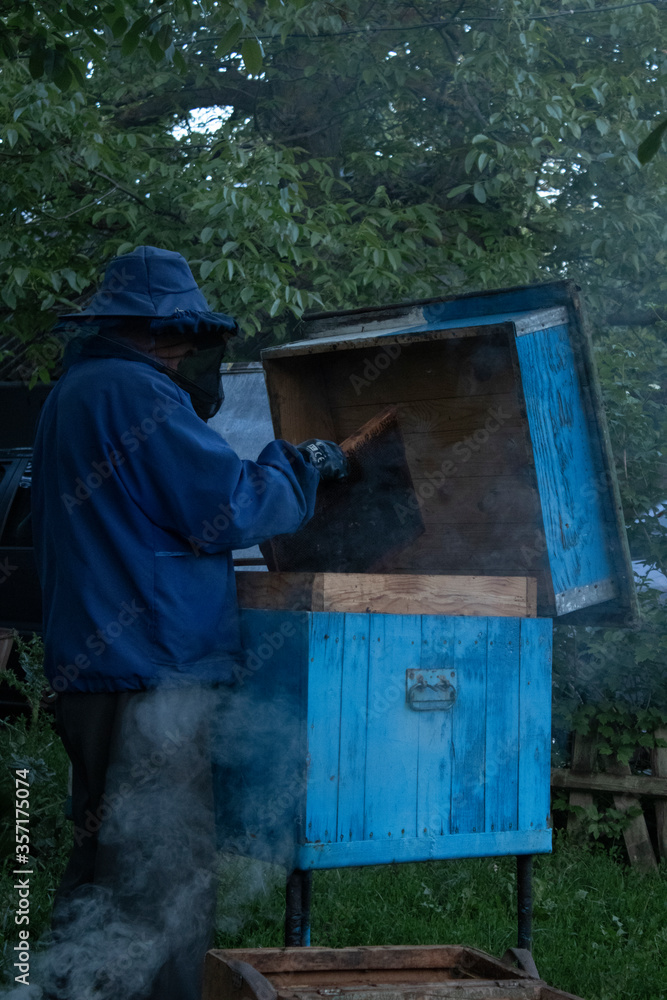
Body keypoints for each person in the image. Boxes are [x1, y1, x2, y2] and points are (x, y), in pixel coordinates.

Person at [30, 245, 347, 1000]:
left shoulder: (74, 390)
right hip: (151, 674)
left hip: (96, 667)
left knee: (102, 867)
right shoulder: (138, 396)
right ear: (159, 330)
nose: (186, 349)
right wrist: (301, 465)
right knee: (159, 876)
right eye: (181, 334)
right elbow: (228, 508)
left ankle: (58, 990)